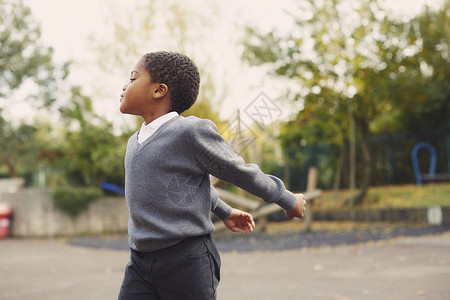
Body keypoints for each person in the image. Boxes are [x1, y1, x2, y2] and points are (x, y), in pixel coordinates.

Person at [118, 51, 306, 300]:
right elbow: (184, 185)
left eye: (133, 78)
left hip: (186, 261)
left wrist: (287, 199)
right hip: (139, 262)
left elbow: (238, 171)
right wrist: (225, 211)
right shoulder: (135, 141)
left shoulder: (190, 131)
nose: (124, 86)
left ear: (159, 90)